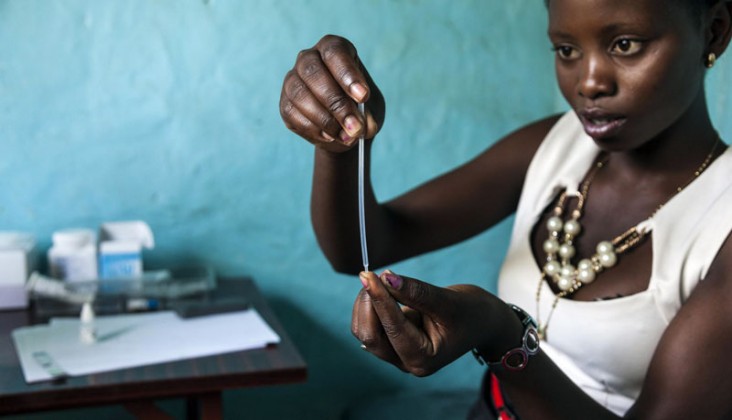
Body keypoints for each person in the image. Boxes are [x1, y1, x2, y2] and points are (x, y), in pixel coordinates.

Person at [279, 0, 732, 418]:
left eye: (625, 45)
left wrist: (501, 335)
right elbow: (364, 246)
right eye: (567, 49)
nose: (590, 81)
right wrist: (341, 146)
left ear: (714, 32)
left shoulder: (721, 220)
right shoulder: (554, 146)